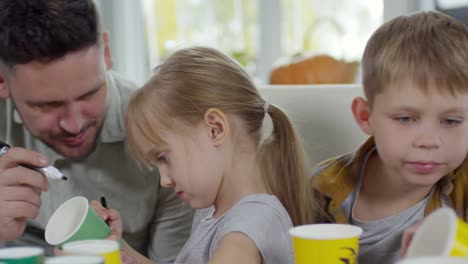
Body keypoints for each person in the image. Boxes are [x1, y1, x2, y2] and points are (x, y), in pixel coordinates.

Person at [0, 0, 193, 261]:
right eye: (48, 106)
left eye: (90, 94)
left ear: (106, 53)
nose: (74, 124)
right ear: (2, 81)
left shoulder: (166, 138)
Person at [91, 46, 320, 264]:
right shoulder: (213, 213)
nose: (165, 180)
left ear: (215, 129)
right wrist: (121, 250)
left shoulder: (248, 226)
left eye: (163, 158)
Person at [311, 11, 468, 264]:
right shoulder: (321, 189)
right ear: (366, 116)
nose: (429, 141)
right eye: (406, 119)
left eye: (451, 121)